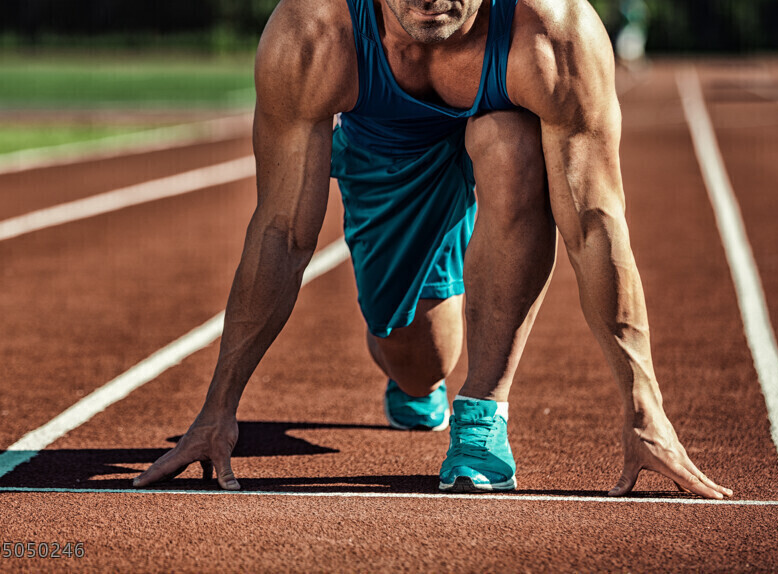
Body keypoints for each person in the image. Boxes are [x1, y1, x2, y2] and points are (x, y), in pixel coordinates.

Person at [135, 0, 732, 499]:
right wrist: (219, 407)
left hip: (503, 115)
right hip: (390, 151)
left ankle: (482, 420)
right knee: (421, 363)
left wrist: (642, 405)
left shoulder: (552, 33)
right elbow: (282, 232)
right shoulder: (314, 32)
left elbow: (594, 225)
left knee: (510, 143)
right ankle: (422, 373)